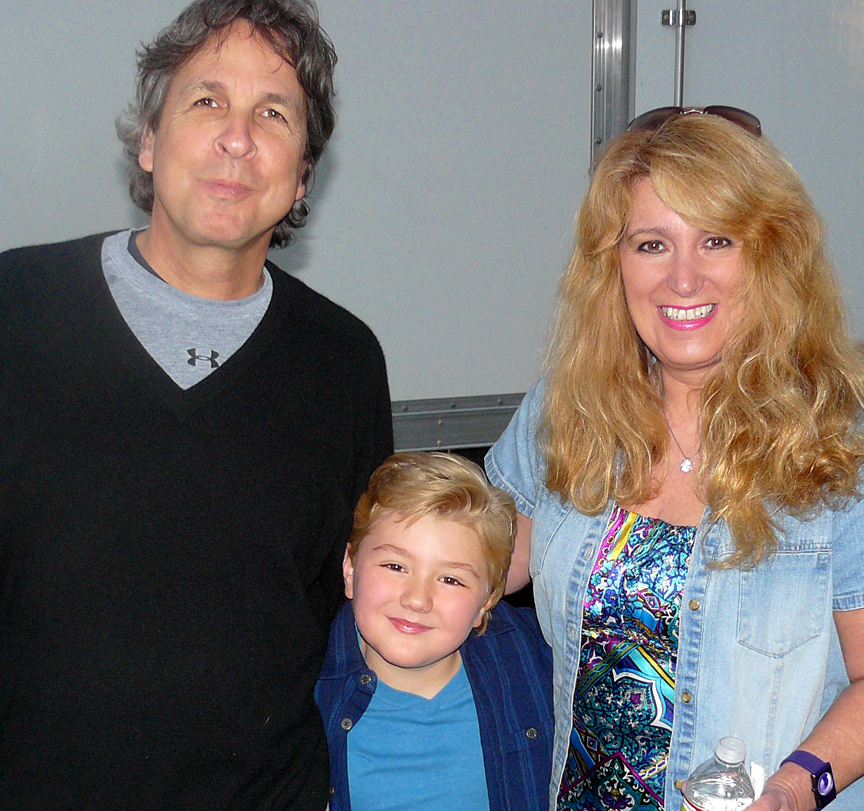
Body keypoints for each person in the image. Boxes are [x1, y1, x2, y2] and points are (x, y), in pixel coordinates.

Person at [0, 1, 392, 808]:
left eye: (273, 113)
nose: (237, 138)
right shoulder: (14, 307)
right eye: (206, 100)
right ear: (148, 139)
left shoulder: (344, 363)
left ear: (303, 174)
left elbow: (350, 615)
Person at [486, 106, 864, 811]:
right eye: (652, 244)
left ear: (770, 255)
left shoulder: (840, 445)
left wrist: (794, 788)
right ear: (614, 263)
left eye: (716, 240)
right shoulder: (567, 409)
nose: (682, 279)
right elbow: (470, 567)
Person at [315, 452, 554, 811]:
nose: (416, 599)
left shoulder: (540, 661)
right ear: (350, 568)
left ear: (488, 599)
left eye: (450, 579)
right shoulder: (299, 692)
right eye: (395, 566)